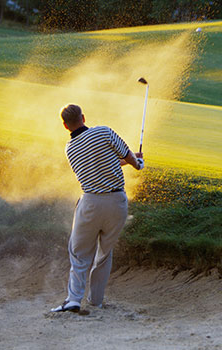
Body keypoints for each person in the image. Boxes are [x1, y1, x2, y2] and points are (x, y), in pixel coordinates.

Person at [51, 104, 144, 313]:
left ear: (66, 125)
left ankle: (74, 299)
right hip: (117, 202)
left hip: (91, 203)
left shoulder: (70, 148)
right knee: (104, 253)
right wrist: (137, 163)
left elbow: (100, 163)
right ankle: (96, 301)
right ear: (83, 117)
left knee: (79, 252)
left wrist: (130, 160)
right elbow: (124, 155)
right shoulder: (103, 131)